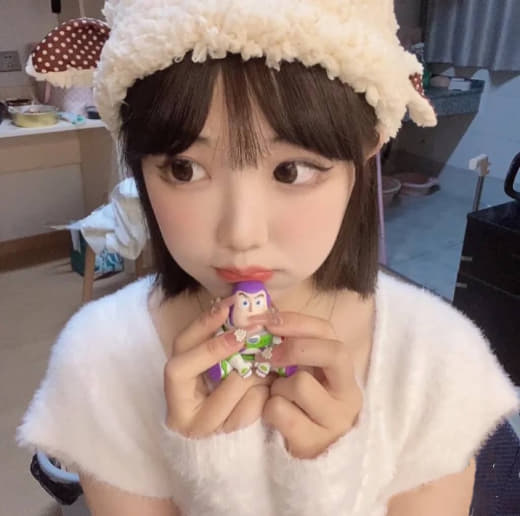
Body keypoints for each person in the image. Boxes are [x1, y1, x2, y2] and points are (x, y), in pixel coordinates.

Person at [17, 1, 519, 515]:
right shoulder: (99, 361)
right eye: (184, 169)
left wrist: (327, 481)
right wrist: (216, 475)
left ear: (369, 146)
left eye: (290, 171)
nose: (241, 235)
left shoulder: (437, 361)